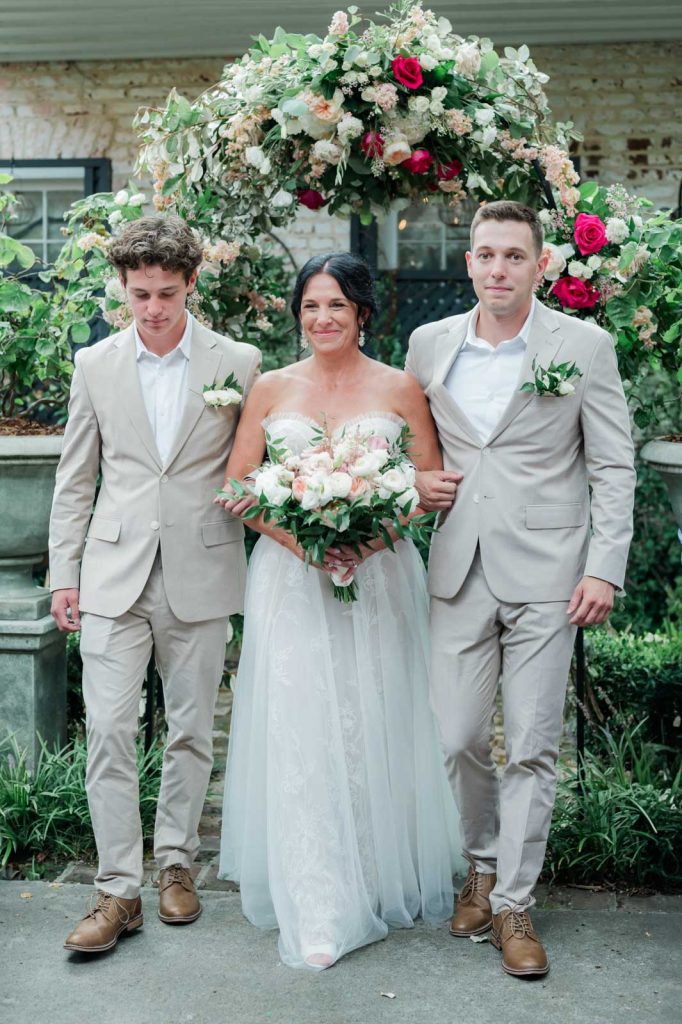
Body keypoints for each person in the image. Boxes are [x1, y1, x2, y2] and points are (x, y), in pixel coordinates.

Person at [406, 200, 636, 977]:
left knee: (532, 744)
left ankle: (513, 903)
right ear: (467, 262)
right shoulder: (430, 344)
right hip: (458, 565)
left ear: (541, 265)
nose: (498, 268)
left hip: (550, 570)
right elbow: (414, 448)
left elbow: (611, 463)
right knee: (457, 736)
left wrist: (604, 564)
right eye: (485, 255)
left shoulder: (584, 346)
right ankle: (480, 862)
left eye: (513, 255)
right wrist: (418, 484)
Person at [217, 252, 463, 971]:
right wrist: (306, 543)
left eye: (336, 307)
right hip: (290, 579)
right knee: (302, 728)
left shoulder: (400, 388)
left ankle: (377, 876)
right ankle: (318, 898)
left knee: (372, 720)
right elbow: (235, 490)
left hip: (380, 580)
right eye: (311, 307)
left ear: (361, 313)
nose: (322, 319)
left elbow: (429, 486)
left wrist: (369, 539)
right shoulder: (268, 388)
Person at [49, 215, 261, 953]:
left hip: (201, 568)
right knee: (108, 730)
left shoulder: (239, 360)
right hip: (111, 573)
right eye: (139, 294)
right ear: (123, 289)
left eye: (167, 293)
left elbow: (251, 465)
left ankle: (176, 863)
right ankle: (115, 892)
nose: (153, 309)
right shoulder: (95, 364)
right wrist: (62, 574)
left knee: (191, 729)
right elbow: (76, 479)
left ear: (191, 283)